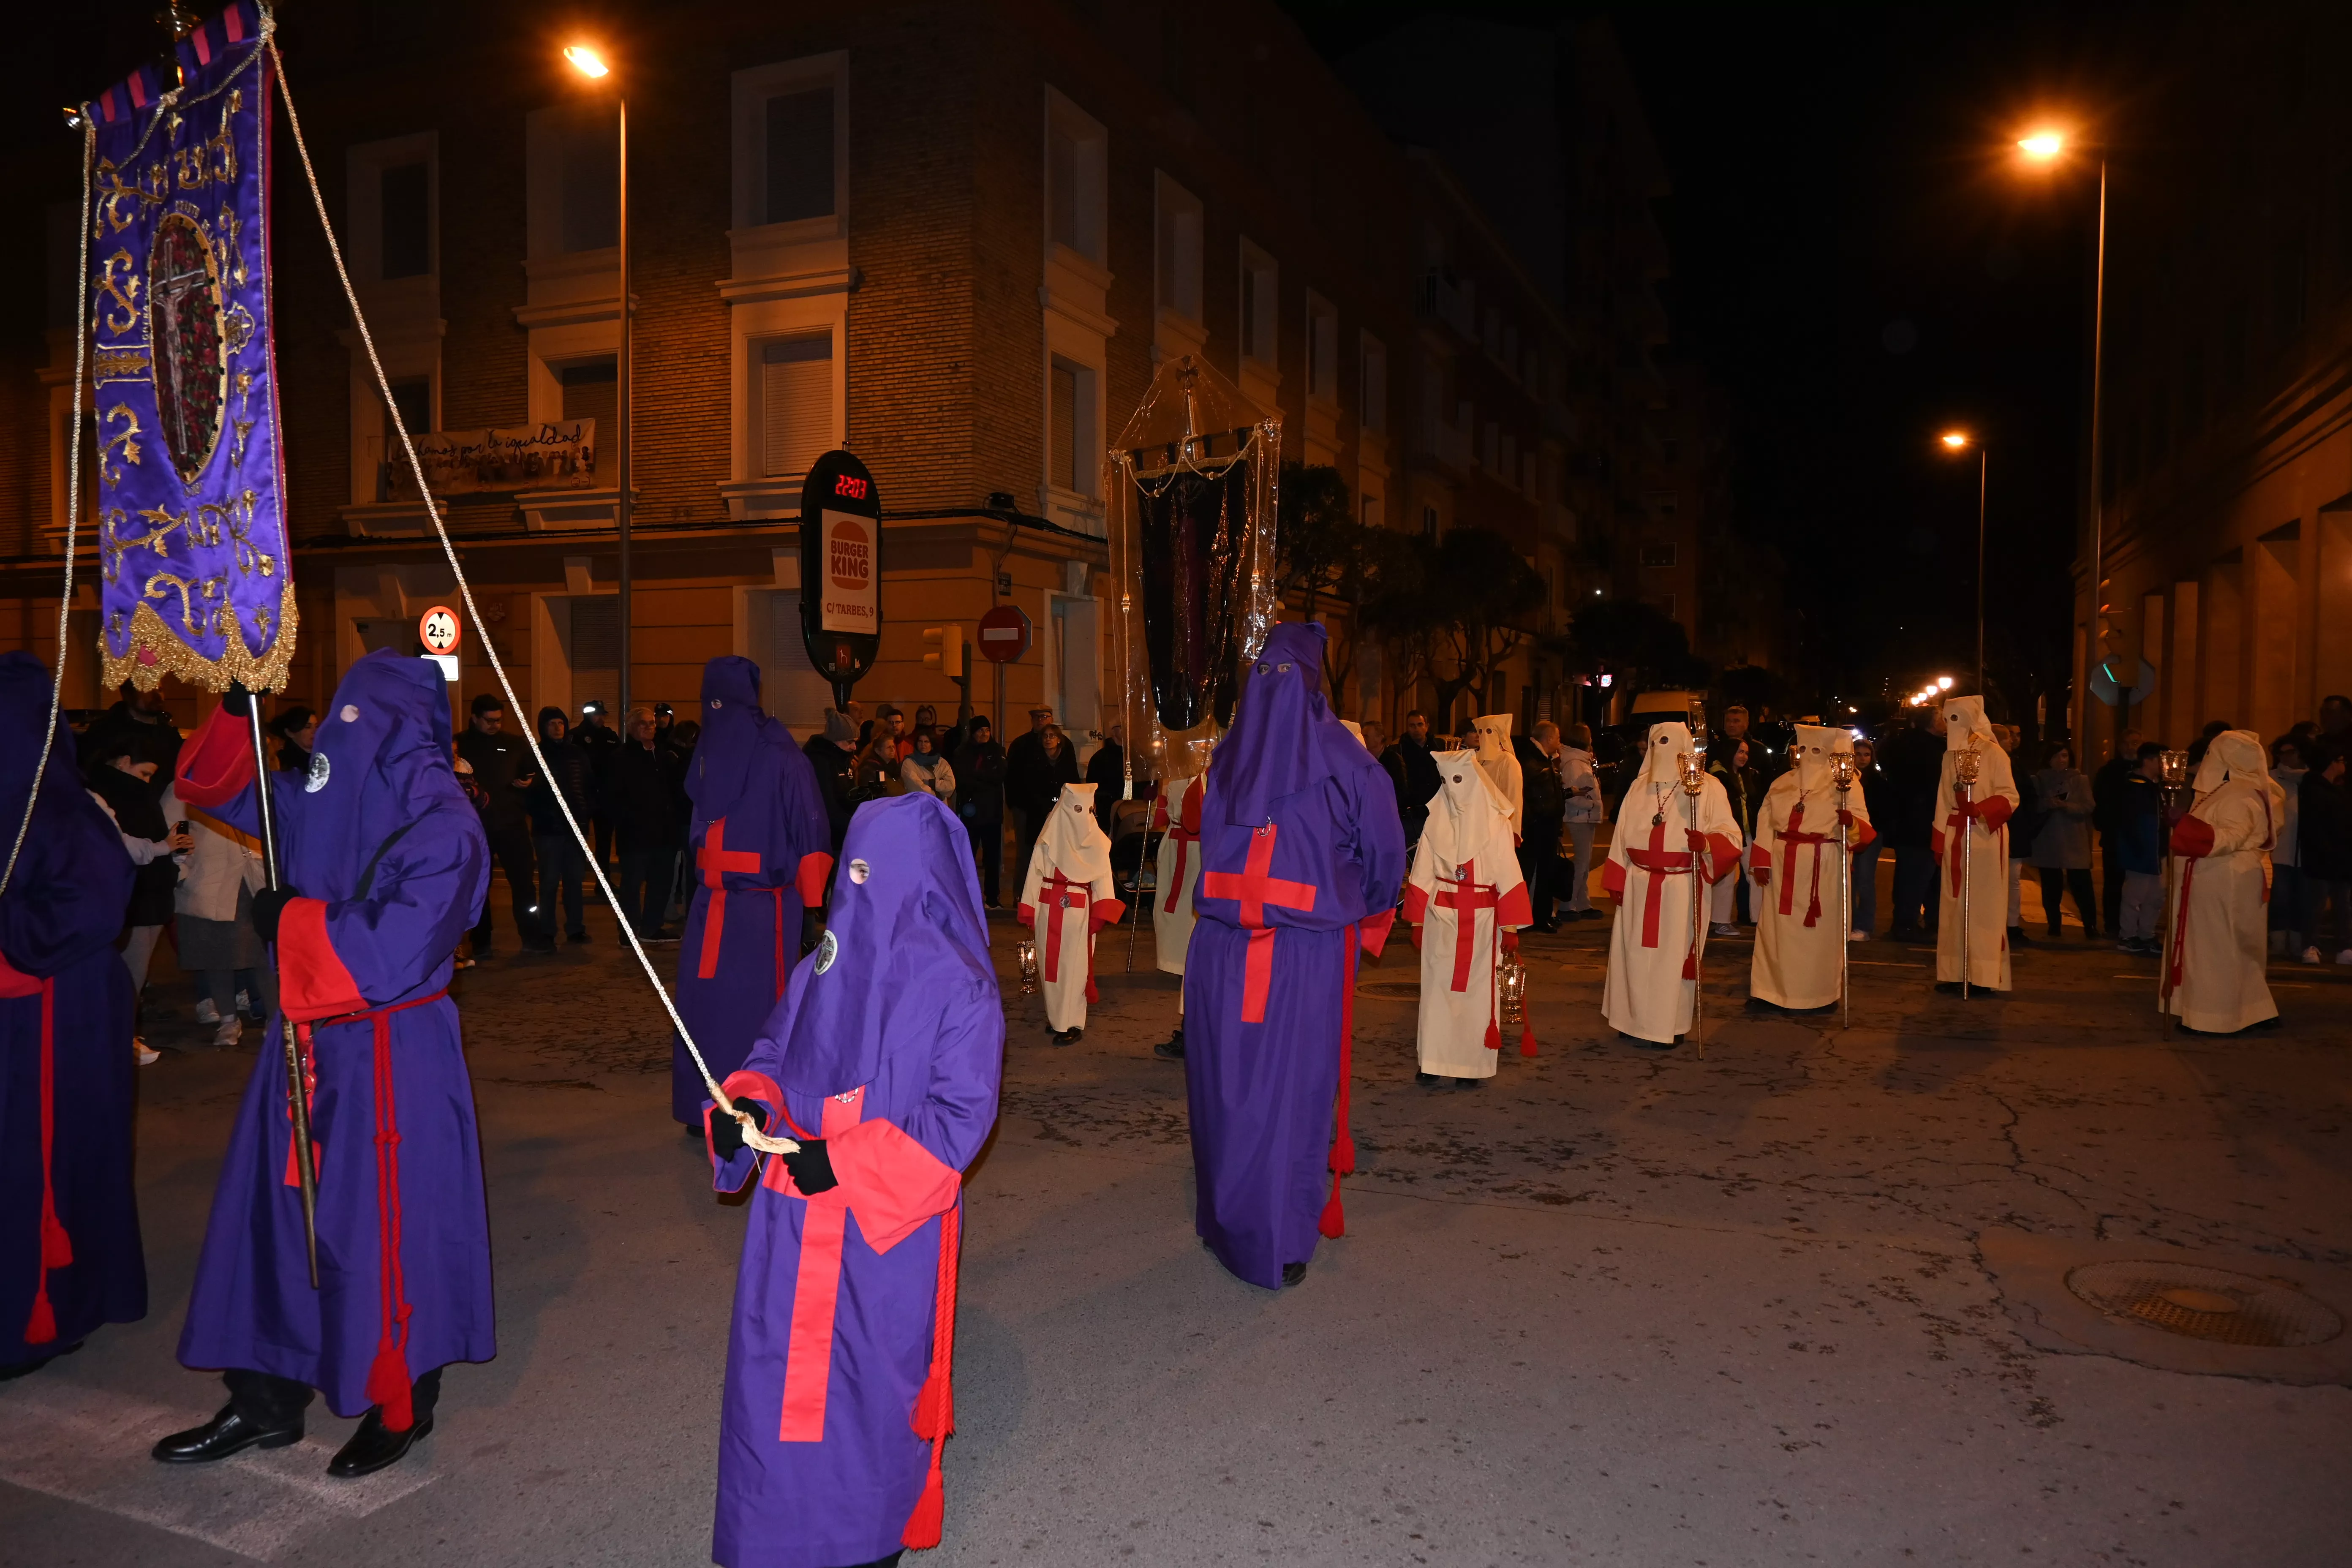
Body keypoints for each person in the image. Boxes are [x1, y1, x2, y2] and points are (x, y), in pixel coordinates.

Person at [157, 653, 492, 1477]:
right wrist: (234, 708)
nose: (340, 738)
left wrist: (295, 922)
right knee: (274, 1220)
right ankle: (266, 1396)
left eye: (361, 721)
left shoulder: (446, 824)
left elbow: (397, 947)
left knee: (385, 1230)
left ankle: (399, 1395)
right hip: (303, 1043)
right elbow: (216, 786)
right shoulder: (319, 797)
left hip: (393, 1053)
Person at [700, 792, 999, 1566]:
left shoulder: (959, 988)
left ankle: (863, 1539)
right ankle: (773, 1531)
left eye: (874, 872)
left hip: (883, 1229)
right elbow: (773, 1053)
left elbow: (957, 1117)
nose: (855, 889)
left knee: (864, 1387)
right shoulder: (820, 968)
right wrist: (747, 1105)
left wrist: (841, 1160)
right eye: (850, 871)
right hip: (792, 1222)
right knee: (779, 1383)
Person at [1184, 623, 1405, 1288]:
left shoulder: (1227, 761)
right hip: (1304, 955)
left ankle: (1227, 1225)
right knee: (1291, 1097)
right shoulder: (1351, 764)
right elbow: (1385, 862)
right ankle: (1277, 1241)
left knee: (1225, 1091)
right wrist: (1351, 907)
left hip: (1221, 951)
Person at [1, 651, 144, 1380]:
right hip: (32, 1013)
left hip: (59, 1013)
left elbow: (90, 910)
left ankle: (49, 1306)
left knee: (49, 1158)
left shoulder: (60, 812)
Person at [673, 657, 834, 1134]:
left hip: (735, 908)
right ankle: (735, 1106)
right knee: (737, 1010)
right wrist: (814, 898)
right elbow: (810, 826)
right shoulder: (780, 755)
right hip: (744, 909)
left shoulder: (721, 750)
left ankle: (720, 1105)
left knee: (725, 1008)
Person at [1600, 721, 1742, 1048]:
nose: (1659, 750)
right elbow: (1620, 838)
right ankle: (1633, 1021)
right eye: (1654, 744)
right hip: (1638, 886)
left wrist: (1707, 843)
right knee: (1633, 956)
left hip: (1681, 887)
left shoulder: (1707, 788)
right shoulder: (1639, 788)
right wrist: (1617, 878)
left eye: (1668, 743)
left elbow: (1731, 836)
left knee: (1672, 960)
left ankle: (1668, 1026)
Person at [1403, 746, 1534, 1084]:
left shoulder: (1496, 824)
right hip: (1441, 922)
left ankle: (1471, 1066)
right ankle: (1433, 1062)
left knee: (1476, 996)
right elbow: (1423, 872)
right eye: (1445, 781)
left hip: (1484, 924)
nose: (1452, 789)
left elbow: (1508, 875)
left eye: (1458, 780)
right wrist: (1417, 921)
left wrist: (1511, 928)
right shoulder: (1435, 821)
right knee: (1437, 993)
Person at [1749, 725, 1875, 1010]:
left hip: (1824, 866)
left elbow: (1863, 828)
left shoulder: (1846, 785)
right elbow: (1766, 821)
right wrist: (1761, 859)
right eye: (1803, 749)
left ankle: (1818, 995)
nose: (1808, 756)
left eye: (1816, 750)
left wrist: (1851, 823)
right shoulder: (1782, 783)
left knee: (1819, 934)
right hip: (1783, 864)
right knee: (1777, 932)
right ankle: (1773, 992)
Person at [2163, 730, 2281, 1032]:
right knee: (2238, 949)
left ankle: (2216, 1018)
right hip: (2224, 879)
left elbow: (2228, 838)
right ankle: (2253, 1012)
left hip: (2223, 880)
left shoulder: (2240, 794)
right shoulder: (2239, 790)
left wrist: (2183, 825)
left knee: (2217, 949)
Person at [81, 735, 187, 1048]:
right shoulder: (111, 795)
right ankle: (119, 1040)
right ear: (124, 762)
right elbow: (123, 845)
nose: (148, 781)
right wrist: (164, 847)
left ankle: (121, 1036)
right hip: (136, 898)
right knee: (130, 976)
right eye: (145, 773)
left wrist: (171, 850)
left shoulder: (126, 793)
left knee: (132, 975)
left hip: (146, 895)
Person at [1018, 781, 1124, 1045]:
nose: (1082, 816)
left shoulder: (1097, 843)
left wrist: (1101, 912)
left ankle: (1073, 1022)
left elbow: (1103, 880)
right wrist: (1029, 907)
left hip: (1080, 914)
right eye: (1076, 809)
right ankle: (1057, 1018)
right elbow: (1035, 872)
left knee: (1075, 968)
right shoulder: (1048, 837)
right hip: (1047, 907)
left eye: (1087, 810)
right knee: (1050, 968)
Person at [1931, 696, 2020, 994]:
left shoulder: (1994, 753)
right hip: (1956, 835)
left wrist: (1980, 810)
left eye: (1954, 719)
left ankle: (1983, 976)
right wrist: (1940, 839)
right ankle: (1955, 972)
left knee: (1984, 907)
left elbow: (2010, 796)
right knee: (1953, 907)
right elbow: (1943, 800)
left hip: (1984, 837)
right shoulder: (1949, 756)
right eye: (1947, 719)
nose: (1948, 726)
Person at [455, 694, 550, 957]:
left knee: (524, 884)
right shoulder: (460, 745)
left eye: (499, 720)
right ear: (475, 718)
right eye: (489, 720)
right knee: (479, 886)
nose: (495, 725)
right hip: (476, 828)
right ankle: (481, 940)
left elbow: (537, 773)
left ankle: (532, 936)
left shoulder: (513, 744)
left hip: (512, 825)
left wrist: (529, 782)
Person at [175, 800, 272, 1050]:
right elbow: (171, 834)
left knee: (265, 955)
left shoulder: (248, 790)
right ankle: (228, 1020)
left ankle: (275, 1019)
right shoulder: (184, 794)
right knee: (218, 956)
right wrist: (185, 875)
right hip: (212, 885)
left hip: (254, 881)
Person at [1149, 730, 1215, 1059]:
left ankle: (1196, 1032)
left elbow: (1197, 817)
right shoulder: (1173, 773)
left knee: (1196, 939)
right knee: (1180, 930)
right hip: (1178, 851)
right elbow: (1162, 815)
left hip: (1202, 855)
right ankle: (1193, 1030)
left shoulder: (1213, 772)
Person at [610, 705, 686, 941]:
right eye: (643, 723)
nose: (650, 727)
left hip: (664, 833)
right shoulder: (621, 757)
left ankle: (651, 928)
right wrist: (630, 819)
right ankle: (629, 933)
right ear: (632, 728)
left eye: (652, 723)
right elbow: (613, 796)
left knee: (661, 883)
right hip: (635, 834)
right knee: (632, 886)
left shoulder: (663, 754)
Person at [526, 707, 595, 944]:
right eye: (552, 724)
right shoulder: (536, 754)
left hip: (576, 829)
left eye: (561, 723)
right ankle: (547, 930)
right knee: (549, 883)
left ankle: (576, 929)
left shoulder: (577, 753)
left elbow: (588, 786)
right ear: (543, 728)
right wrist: (544, 813)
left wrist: (586, 812)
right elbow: (529, 794)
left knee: (575, 881)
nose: (557, 728)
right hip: (548, 830)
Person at [1878, 705, 1946, 940]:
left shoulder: (1902, 745)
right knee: (1919, 876)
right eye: (1941, 718)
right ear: (1931, 723)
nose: (1945, 721)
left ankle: (1913, 922)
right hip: (1922, 822)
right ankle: (1910, 924)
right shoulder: (1930, 750)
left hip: (1909, 822)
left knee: (1916, 876)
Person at [1004, 707, 1075, 893]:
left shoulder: (1066, 746)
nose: (1040, 720)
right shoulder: (1021, 744)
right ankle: (1022, 894)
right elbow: (1013, 778)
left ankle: (1052, 892)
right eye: (1036, 717)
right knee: (1026, 851)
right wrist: (1013, 805)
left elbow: (1072, 777)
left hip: (1058, 807)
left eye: (1044, 717)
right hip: (1025, 807)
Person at [2030, 744, 2096, 938]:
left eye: (2065, 756)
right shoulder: (2039, 780)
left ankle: (2090, 925)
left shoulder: (2080, 779)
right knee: (2051, 885)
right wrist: (2047, 804)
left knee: (2082, 884)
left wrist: (2067, 806)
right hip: (2048, 839)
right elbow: (2032, 806)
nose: (2061, 760)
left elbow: (2089, 806)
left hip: (2074, 838)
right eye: (2056, 756)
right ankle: (2054, 924)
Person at [2296, 738, 2352, 964]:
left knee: (2342, 906)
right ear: (2331, 763)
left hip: (2340, 859)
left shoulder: (2338, 790)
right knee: (2316, 906)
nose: (2344, 764)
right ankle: (2311, 946)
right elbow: (2315, 828)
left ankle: (2345, 947)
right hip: (2321, 860)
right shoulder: (2314, 790)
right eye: (2341, 760)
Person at [1706, 736, 1763, 935]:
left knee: (1757, 873)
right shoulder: (1716, 778)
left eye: (1746, 753)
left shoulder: (1747, 775)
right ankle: (1720, 921)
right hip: (1726, 833)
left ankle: (1760, 918)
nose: (1744, 756)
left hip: (1746, 833)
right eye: (1740, 752)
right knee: (1727, 877)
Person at [2114, 743, 2167, 955]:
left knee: (2156, 897)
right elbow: (2129, 820)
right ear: (2148, 761)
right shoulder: (2134, 786)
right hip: (2140, 848)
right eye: (2161, 760)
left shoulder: (2159, 787)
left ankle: (2147, 934)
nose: (2165, 765)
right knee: (2134, 895)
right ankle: (2128, 935)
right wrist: (2135, 845)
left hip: (2157, 849)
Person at [2092, 729, 2143, 937]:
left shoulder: (2145, 770)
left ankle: (2135, 924)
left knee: (2139, 884)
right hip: (2115, 835)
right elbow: (2101, 801)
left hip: (2139, 835)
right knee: (2114, 882)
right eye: (2127, 743)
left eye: (2136, 743)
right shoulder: (2109, 771)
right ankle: (2113, 924)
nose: (2131, 748)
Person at [1517, 721, 1568, 932]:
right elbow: (1530, 795)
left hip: (1545, 824)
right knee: (1530, 872)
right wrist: (1534, 820)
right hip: (1538, 826)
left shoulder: (1543, 760)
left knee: (1545, 871)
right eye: (1557, 738)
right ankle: (1526, 917)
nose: (1559, 743)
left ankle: (1541, 915)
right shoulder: (1532, 761)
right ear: (1549, 738)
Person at [79, 678, 184, 780]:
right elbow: (86, 772)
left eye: (159, 690)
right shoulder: (104, 731)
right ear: (128, 694)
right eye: (148, 688)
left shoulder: (170, 736)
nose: (157, 695)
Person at [951, 716, 1006, 907]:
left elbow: (1000, 775)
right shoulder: (962, 752)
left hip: (992, 812)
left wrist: (978, 776)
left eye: (987, 730)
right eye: (980, 730)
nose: (984, 734)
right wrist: (986, 778)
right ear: (973, 732)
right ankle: (966, 897)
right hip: (971, 812)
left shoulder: (997, 751)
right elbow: (963, 779)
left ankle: (992, 897)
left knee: (992, 858)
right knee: (968, 856)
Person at [1559, 722, 1604, 920]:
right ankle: (1568, 905)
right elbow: (1571, 794)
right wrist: (1593, 804)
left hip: (1584, 816)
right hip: (1579, 817)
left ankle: (1582, 903)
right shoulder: (1575, 763)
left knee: (1584, 863)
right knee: (1581, 863)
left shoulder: (1580, 761)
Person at [574, 700, 621, 877]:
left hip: (605, 797)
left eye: (602, 715)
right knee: (579, 840)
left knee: (604, 842)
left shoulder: (610, 736)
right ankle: (576, 880)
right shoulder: (576, 737)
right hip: (583, 797)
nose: (601, 718)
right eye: (597, 715)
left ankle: (604, 881)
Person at [2269, 736, 2308, 957]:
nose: (2286, 757)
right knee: (2280, 897)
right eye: (2282, 753)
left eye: (2291, 752)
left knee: (2302, 899)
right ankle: (2278, 942)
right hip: (2280, 849)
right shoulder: (2271, 778)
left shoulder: (2311, 780)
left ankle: (2297, 944)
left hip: (2306, 851)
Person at [1383, 710, 1442, 853]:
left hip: (1436, 808)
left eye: (1420, 725)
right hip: (1412, 812)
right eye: (1412, 726)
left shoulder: (1438, 746)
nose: (1416, 729)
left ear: (1427, 726)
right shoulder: (1399, 749)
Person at [1849, 737, 1890, 940]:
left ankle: (1864, 926)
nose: (1863, 758)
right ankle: (1848, 922)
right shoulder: (1844, 780)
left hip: (1871, 835)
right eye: (1858, 754)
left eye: (1867, 754)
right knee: (1848, 880)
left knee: (1865, 879)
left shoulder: (1877, 782)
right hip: (1848, 833)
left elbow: (1883, 811)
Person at [805, 708, 859, 854]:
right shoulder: (820, 762)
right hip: (830, 840)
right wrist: (855, 826)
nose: (854, 747)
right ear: (836, 740)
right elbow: (828, 806)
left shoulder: (842, 758)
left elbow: (848, 796)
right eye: (850, 742)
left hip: (842, 834)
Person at [1470, 713, 1522, 830]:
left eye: (1489, 731)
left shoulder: (1508, 761)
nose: (1484, 736)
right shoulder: (1474, 758)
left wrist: (1513, 831)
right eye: (1480, 732)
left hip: (1498, 824)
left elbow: (1514, 799)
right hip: (1476, 822)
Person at [1084, 722, 1127, 835]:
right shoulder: (1100, 758)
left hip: (1132, 810)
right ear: (1113, 731)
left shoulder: (1137, 755)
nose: (1127, 729)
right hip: (1108, 809)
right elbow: (1092, 785)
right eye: (1121, 726)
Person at [900, 727, 956, 803]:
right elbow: (917, 787)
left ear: (932, 745)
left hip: (940, 806)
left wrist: (932, 784)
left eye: (927, 742)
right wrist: (938, 795)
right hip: (919, 805)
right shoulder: (909, 763)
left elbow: (951, 786)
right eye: (920, 741)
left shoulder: (942, 763)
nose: (923, 745)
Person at [270, 706, 318, 776]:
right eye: (308, 727)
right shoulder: (282, 762)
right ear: (290, 733)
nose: (315, 731)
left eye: (316, 726)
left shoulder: (324, 755)